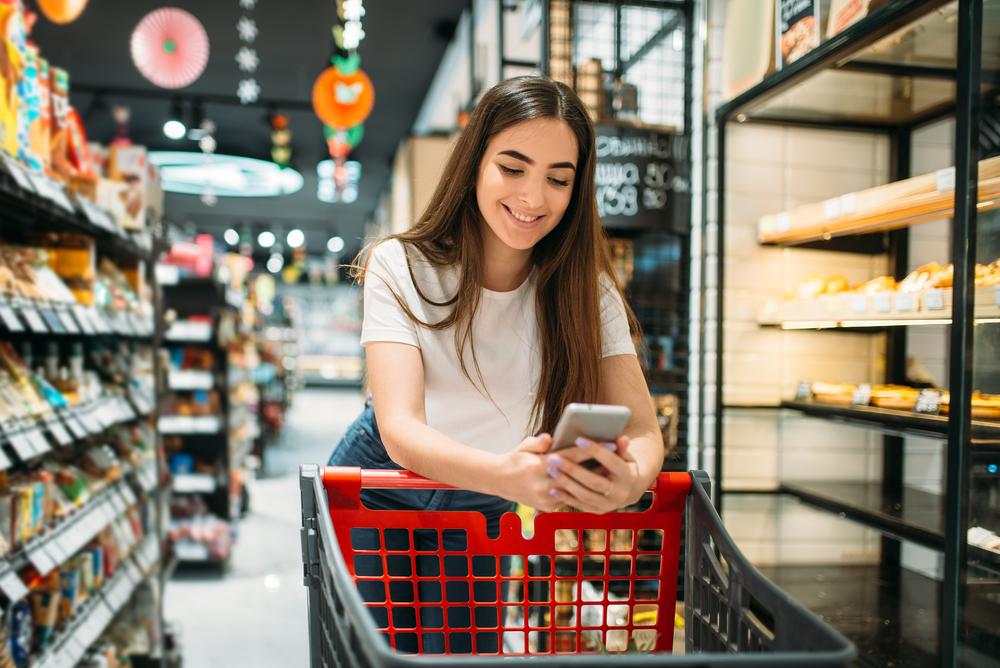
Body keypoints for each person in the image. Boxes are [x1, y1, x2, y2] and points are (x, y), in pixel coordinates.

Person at [327, 75, 665, 655]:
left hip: (480, 503)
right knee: (377, 656)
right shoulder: (400, 266)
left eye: (558, 179)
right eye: (513, 168)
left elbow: (641, 430)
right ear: (474, 161)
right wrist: (510, 478)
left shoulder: (588, 293)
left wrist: (627, 482)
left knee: (462, 657)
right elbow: (401, 430)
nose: (534, 197)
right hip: (383, 485)